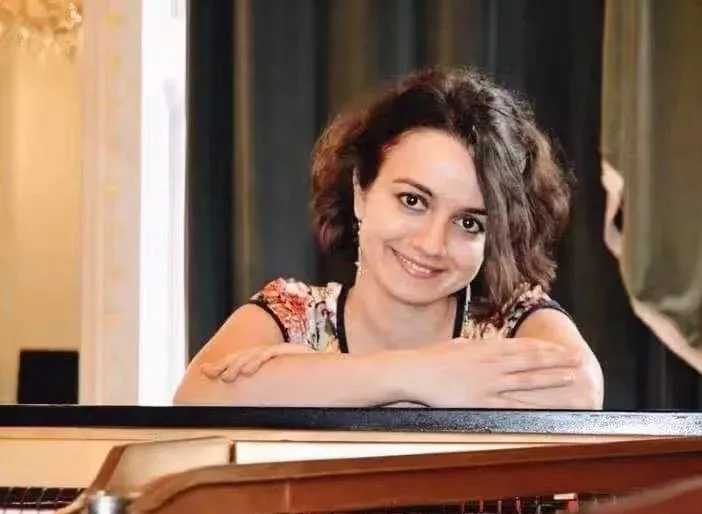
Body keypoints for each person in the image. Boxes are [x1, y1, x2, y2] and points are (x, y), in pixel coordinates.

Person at [173, 67, 603, 409]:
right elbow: (196, 396)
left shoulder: (511, 320)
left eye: (469, 223)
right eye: (413, 201)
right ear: (361, 191)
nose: (432, 244)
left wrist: (307, 376)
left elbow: (582, 389)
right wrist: (423, 375)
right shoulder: (294, 315)